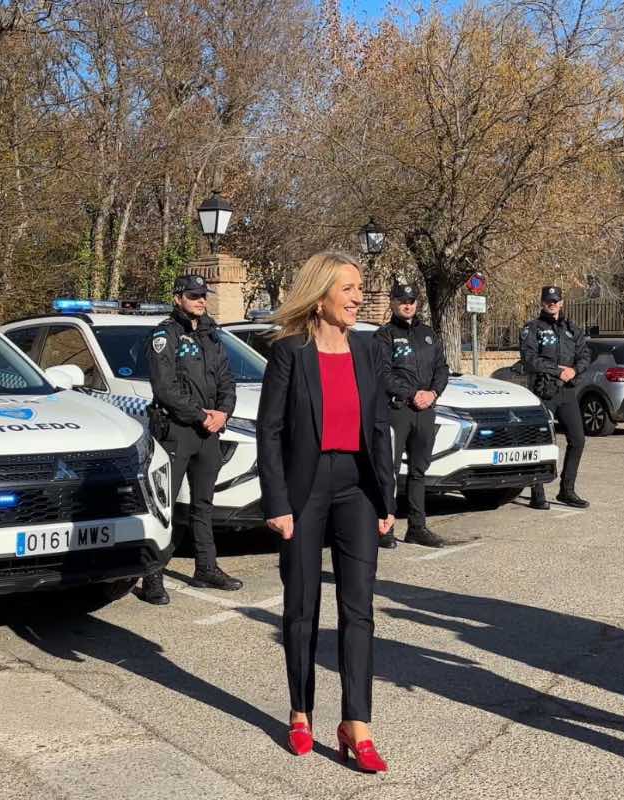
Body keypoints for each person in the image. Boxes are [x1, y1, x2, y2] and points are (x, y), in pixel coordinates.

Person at [256, 251, 396, 772]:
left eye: (361, 288)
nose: (359, 297)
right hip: (304, 490)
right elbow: (269, 433)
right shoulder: (290, 352)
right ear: (321, 296)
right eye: (350, 288)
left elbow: (378, 427)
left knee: (358, 609)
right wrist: (278, 503)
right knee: (302, 605)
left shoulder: (367, 349)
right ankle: (300, 711)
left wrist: (387, 498)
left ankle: (356, 724)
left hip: (357, 488)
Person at [135, 272, 241, 605]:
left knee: (203, 504)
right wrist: (201, 415)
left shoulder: (212, 335)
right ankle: (152, 576)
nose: (201, 300)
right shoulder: (166, 335)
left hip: (208, 431)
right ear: (178, 297)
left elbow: (227, 380)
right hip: (177, 431)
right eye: (194, 295)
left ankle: (206, 568)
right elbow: (164, 388)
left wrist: (223, 412)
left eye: (203, 295)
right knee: (163, 505)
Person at [373, 284, 449, 549]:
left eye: (412, 300)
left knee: (419, 470)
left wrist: (433, 393)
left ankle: (417, 527)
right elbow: (383, 373)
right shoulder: (385, 336)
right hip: (398, 410)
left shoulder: (428, 334)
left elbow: (442, 368)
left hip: (425, 410)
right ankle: (385, 526)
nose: (408, 305)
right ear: (392, 303)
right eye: (402, 300)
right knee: (389, 471)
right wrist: (412, 393)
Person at [520, 285, 590, 510]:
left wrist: (574, 370)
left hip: (567, 391)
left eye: (556, 300)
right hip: (544, 391)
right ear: (542, 302)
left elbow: (585, 354)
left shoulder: (572, 329)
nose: (552, 304)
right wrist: (557, 370)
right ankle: (537, 491)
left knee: (577, 440)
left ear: (562, 302)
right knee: (542, 441)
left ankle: (567, 490)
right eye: (548, 300)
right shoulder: (533, 328)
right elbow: (530, 359)